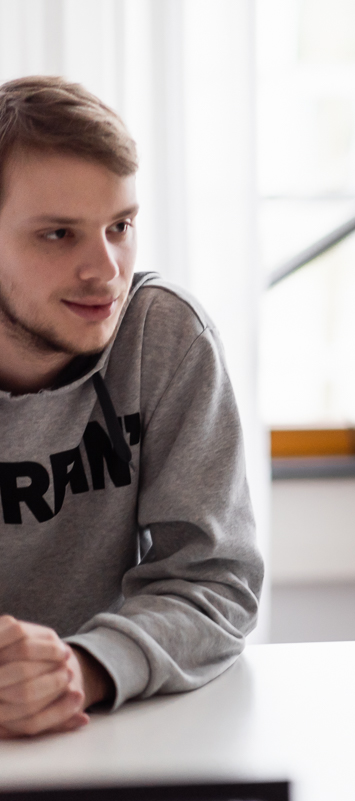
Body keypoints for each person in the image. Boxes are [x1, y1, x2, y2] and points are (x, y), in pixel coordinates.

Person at [0, 76, 262, 737]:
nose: (106, 269)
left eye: (120, 226)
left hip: (108, 735)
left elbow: (215, 580)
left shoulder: (164, 338)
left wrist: (79, 667)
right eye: (58, 234)